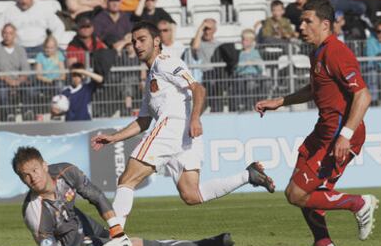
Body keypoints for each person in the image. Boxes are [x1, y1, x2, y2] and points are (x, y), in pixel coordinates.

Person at [91, 21, 275, 230]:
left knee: (127, 179)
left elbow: (198, 88)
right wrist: (114, 137)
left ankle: (114, 239)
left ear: (157, 41)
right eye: (134, 42)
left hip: (173, 127)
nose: (137, 45)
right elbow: (143, 121)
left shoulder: (164, 62)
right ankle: (248, 175)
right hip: (183, 135)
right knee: (191, 194)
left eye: (142, 40)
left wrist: (195, 118)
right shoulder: (152, 77)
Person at [255, 0, 378, 246]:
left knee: (296, 194)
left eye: (307, 21)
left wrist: (345, 135)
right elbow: (315, 89)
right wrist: (281, 101)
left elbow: (363, 96)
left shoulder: (336, 51)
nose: (301, 26)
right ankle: (323, 243)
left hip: (338, 136)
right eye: (301, 21)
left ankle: (359, 203)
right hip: (323, 131)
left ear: (325, 24)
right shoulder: (318, 53)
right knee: (304, 190)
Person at [12, 146, 234, 246]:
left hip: (82, 222)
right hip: (69, 243)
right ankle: (206, 244)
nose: (33, 178)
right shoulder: (34, 211)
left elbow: (97, 196)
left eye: (34, 170)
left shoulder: (66, 172)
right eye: (25, 176)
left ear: (44, 164)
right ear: (21, 180)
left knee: (125, 244)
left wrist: (117, 232)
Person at [0, 0, 65, 56]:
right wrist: (3, 45)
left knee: (63, 54)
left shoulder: (43, 10)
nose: (24, 1)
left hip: (42, 47)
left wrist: (52, 43)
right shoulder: (10, 11)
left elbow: (59, 26)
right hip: (18, 48)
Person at [0, 23, 34, 122]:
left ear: (15, 35)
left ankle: (27, 112)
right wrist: (8, 80)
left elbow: (26, 68)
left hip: (18, 80)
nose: (7, 36)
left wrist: (19, 80)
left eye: (10, 33)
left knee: (30, 88)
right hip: (1, 80)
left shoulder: (20, 49)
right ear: (1, 34)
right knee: (2, 91)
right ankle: (8, 114)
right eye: (5, 33)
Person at [191, 18, 221, 112]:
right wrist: (200, 28)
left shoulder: (219, 44)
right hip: (204, 75)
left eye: (209, 29)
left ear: (214, 30)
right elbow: (195, 47)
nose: (207, 32)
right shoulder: (200, 43)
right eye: (205, 29)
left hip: (217, 75)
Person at [232, 28, 263, 112]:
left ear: (251, 41)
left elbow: (260, 69)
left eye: (245, 40)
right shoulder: (239, 53)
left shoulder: (256, 52)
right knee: (244, 82)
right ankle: (245, 104)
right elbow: (236, 69)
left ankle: (250, 104)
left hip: (254, 76)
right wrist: (243, 65)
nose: (243, 41)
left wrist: (255, 63)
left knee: (252, 82)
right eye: (242, 39)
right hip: (241, 76)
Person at [365, 20, 381, 106]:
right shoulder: (370, 41)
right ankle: (374, 101)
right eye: (379, 31)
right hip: (375, 68)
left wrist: (380, 59)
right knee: (372, 73)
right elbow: (370, 60)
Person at [35, 35, 66, 105]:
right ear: (44, 47)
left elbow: (63, 74)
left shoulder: (59, 55)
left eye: (51, 48)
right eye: (47, 47)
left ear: (55, 48)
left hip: (57, 81)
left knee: (59, 85)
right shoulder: (40, 56)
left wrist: (56, 79)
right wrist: (47, 80)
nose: (49, 50)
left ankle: (58, 105)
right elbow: (38, 75)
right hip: (43, 82)